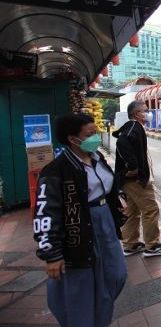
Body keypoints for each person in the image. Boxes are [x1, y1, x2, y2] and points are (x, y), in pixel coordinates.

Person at [33, 113, 128, 327]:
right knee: (80, 290)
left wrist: (119, 197)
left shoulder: (97, 158)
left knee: (115, 275)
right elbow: (45, 213)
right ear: (73, 139)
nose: (95, 137)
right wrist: (52, 254)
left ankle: (99, 319)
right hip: (79, 232)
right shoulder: (56, 171)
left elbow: (108, 184)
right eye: (90, 134)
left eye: (95, 132)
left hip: (105, 227)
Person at [113, 100, 161, 257]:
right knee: (151, 210)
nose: (149, 113)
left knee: (132, 211)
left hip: (130, 181)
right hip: (137, 181)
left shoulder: (135, 127)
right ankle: (152, 246)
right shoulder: (134, 128)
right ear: (136, 114)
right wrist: (132, 168)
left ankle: (130, 244)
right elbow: (122, 142)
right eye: (145, 110)